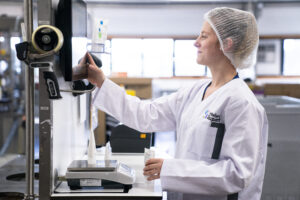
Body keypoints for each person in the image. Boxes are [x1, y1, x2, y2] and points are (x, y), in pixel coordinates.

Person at [86, 7, 268, 200]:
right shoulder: (196, 91)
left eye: (204, 36)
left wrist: (170, 169)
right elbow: (146, 114)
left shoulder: (241, 102)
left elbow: (237, 174)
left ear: (227, 44)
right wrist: (101, 81)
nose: (196, 43)